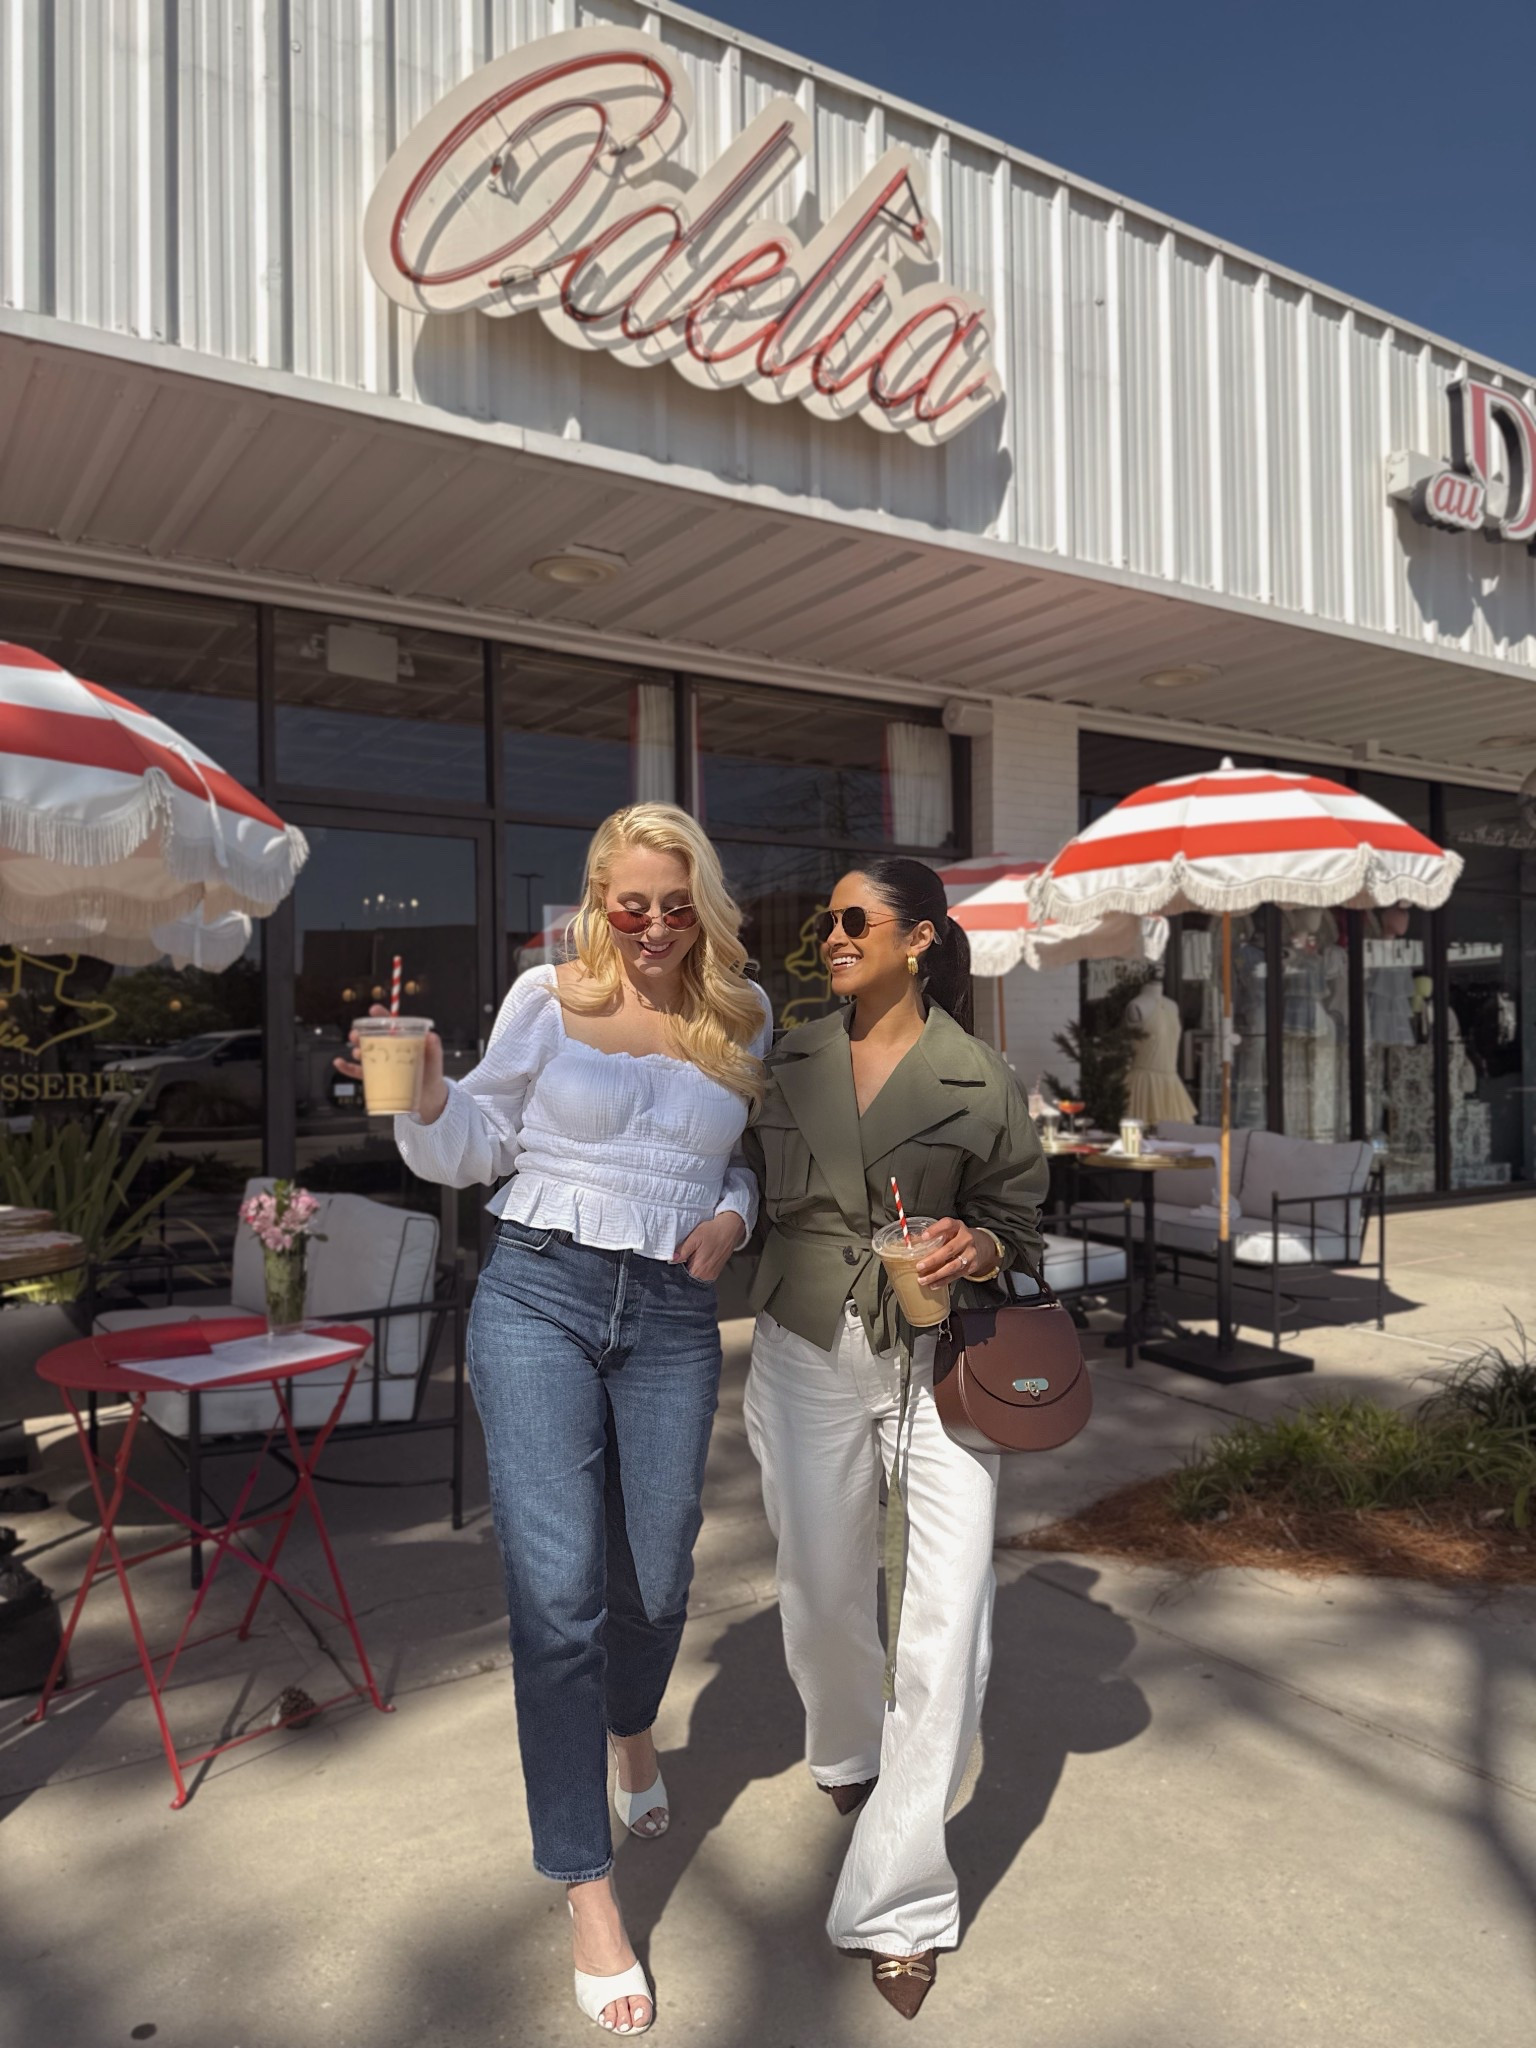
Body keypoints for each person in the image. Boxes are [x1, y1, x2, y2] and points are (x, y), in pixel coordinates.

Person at [339, 804, 770, 2036]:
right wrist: (427, 1092)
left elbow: (744, 1156)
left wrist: (735, 1216)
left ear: (702, 904)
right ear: (598, 898)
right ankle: (588, 1886)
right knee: (558, 1595)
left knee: (659, 1574)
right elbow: (477, 1138)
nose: (652, 926)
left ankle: (631, 1728)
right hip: (537, 1292)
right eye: (631, 903)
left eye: (675, 904)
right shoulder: (547, 994)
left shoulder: (742, 1010)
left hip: (672, 1309)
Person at [742, 856, 1047, 2018]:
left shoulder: (980, 1075)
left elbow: (1021, 1219)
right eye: (827, 918)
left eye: (855, 918)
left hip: (943, 1361)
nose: (833, 933)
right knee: (821, 1591)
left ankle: (901, 1901)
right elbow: (734, 1179)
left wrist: (982, 1244)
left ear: (918, 938)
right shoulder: (789, 1056)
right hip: (805, 1348)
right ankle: (843, 1751)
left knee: (946, 1622)